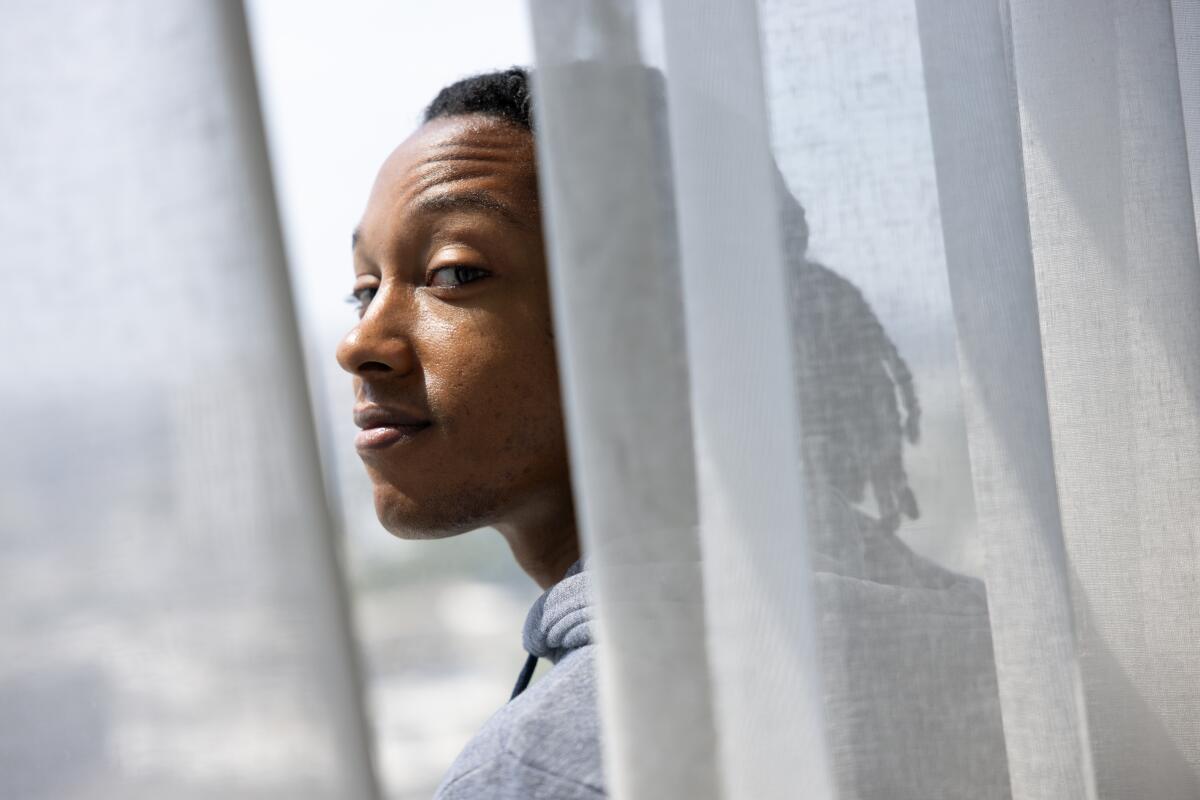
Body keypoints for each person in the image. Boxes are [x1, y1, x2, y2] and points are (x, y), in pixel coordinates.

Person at [338, 67, 1003, 799]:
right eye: (364, 288)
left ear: (669, 327)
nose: (360, 343)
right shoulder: (1006, 649)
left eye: (454, 274)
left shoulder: (551, 767)